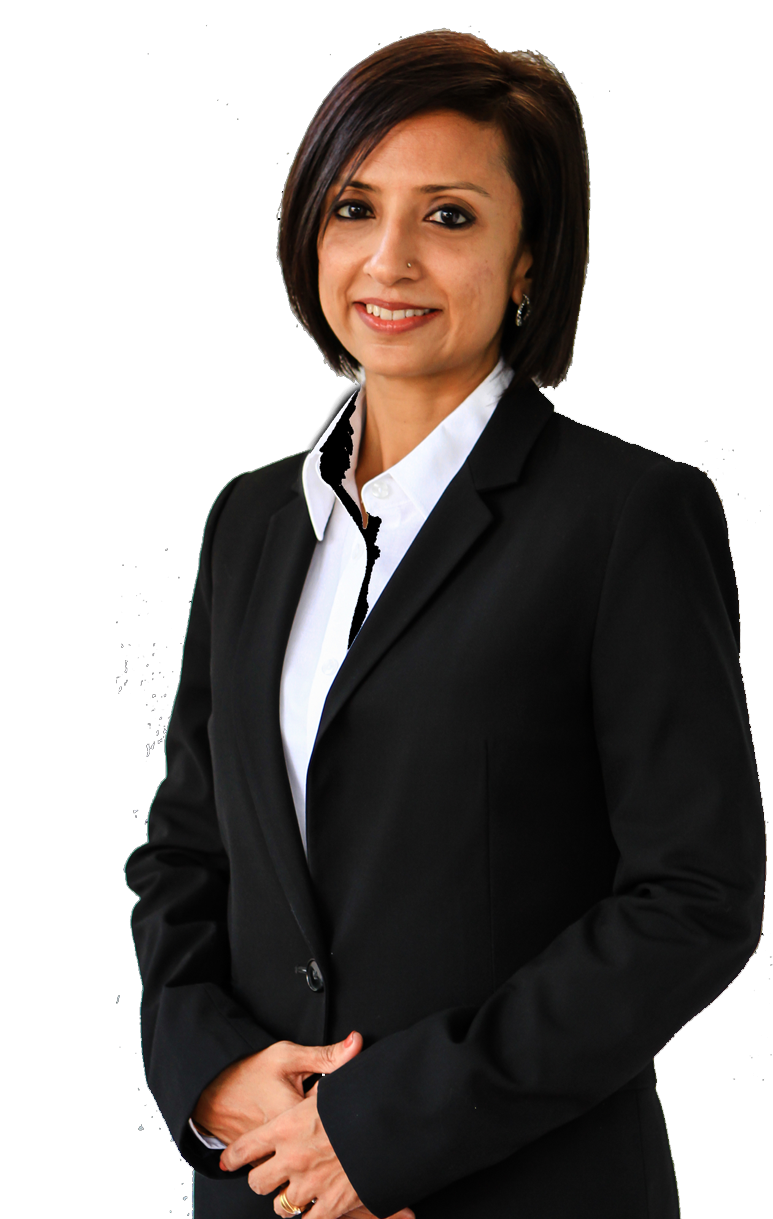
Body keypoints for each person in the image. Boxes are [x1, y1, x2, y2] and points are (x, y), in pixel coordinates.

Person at [125, 29, 766, 1219]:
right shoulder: (252, 517)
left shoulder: (625, 514)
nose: (389, 259)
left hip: (524, 1189)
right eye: (353, 208)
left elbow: (694, 895)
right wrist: (208, 1077)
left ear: (529, 259)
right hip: (267, 1187)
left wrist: (387, 1128)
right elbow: (187, 849)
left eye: (450, 216)